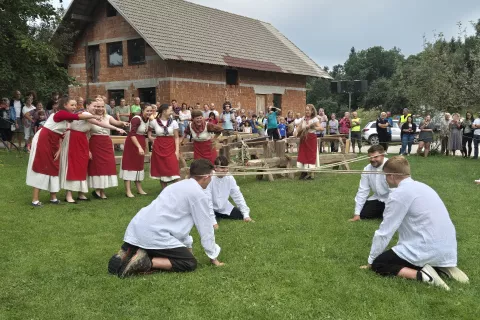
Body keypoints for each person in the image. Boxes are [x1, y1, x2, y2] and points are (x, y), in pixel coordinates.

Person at [361, 156, 469, 290]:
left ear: (392, 176)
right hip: (447, 247)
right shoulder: (424, 187)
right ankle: (443, 266)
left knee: (380, 263)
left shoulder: (399, 195)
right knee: (406, 255)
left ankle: (423, 275)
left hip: (426, 247)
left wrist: (371, 260)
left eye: (385, 175)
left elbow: (385, 232)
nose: (385, 179)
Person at [107, 159, 224, 278]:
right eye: (211, 177)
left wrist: (186, 247)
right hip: (154, 232)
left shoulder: (177, 185)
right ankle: (146, 261)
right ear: (206, 177)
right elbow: (205, 227)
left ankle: (130, 251)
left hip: (138, 226)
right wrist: (213, 256)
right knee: (189, 262)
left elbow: (179, 223)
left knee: (172, 251)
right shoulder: (198, 195)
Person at [26, 96, 100, 207]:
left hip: (54, 142)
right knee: (42, 167)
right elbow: (77, 116)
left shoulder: (66, 120)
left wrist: (60, 149)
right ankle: (35, 199)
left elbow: (61, 135)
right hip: (44, 140)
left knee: (55, 167)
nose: (74, 107)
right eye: (72, 105)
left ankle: (53, 197)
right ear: (65, 105)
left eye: (75, 105)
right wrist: (94, 115)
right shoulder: (60, 114)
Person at [60, 99, 125, 203]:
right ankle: (69, 195)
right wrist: (116, 128)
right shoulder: (85, 113)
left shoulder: (90, 115)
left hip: (82, 141)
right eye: (94, 106)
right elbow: (101, 124)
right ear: (87, 105)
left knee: (83, 167)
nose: (96, 108)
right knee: (74, 166)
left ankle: (81, 193)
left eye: (97, 106)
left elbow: (90, 131)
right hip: (74, 140)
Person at [88, 101, 128, 200]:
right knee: (98, 166)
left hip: (106, 142)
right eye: (97, 106)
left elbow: (116, 122)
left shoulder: (108, 117)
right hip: (95, 143)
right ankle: (99, 190)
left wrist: (122, 123)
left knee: (107, 165)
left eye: (102, 106)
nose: (100, 108)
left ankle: (101, 191)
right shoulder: (90, 117)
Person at [207, 156, 253, 226]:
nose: (225, 170)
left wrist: (246, 215)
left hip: (224, 207)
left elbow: (237, 195)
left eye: (226, 167)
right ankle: (215, 217)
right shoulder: (209, 178)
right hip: (210, 208)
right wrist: (214, 222)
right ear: (215, 168)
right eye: (222, 168)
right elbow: (207, 200)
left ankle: (219, 215)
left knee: (241, 215)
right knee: (209, 222)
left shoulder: (230, 178)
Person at [119, 104, 153, 198]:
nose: (149, 113)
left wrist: (144, 146)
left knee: (138, 165)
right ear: (142, 110)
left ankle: (139, 188)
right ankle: (128, 190)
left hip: (141, 141)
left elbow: (146, 133)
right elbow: (132, 134)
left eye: (151, 111)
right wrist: (138, 147)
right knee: (129, 165)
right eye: (147, 111)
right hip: (132, 143)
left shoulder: (148, 120)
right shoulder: (136, 119)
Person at [349, 145, 389, 222]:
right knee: (363, 214)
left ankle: (387, 212)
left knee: (393, 215)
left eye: (375, 157)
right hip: (378, 198)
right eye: (370, 157)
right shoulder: (367, 169)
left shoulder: (391, 166)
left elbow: (398, 191)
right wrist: (357, 214)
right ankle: (384, 213)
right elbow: (363, 190)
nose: (372, 159)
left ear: (383, 155)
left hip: (392, 199)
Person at [148, 104, 180, 190]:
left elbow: (176, 137)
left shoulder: (174, 122)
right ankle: (164, 190)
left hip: (170, 146)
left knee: (173, 168)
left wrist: (177, 151)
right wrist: (151, 138)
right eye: (170, 110)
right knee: (161, 168)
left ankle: (176, 190)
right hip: (159, 147)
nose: (172, 112)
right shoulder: (154, 122)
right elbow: (149, 133)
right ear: (164, 111)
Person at [295, 105, 323, 180]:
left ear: (312, 111)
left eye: (308, 110)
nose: (307, 112)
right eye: (306, 110)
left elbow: (321, 128)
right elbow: (299, 127)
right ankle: (304, 172)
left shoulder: (315, 119)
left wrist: (312, 127)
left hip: (311, 139)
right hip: (304, 138)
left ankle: (311, 174)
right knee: (303, 154)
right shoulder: (304, 118)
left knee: (310, 155)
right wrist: (296, 131)